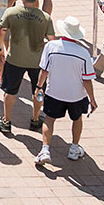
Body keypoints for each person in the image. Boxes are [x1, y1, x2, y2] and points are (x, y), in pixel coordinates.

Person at [36, 17, 98, 166]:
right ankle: (74, 148)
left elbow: (44, 71)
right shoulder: (83, 53)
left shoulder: (51, 47)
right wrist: (92, 99)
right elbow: (87, 80)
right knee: (77, 120)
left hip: (54, 92)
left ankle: (45, 150)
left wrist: (39, 87)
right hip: (76, 95)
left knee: (49, 119)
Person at [0, 0, 55, 135]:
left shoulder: (11, 12)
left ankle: (7, 121)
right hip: (37, 61)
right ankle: (35, 119)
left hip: (15, 58)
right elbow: (52, 40)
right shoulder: (45, 18)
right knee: (39, 90)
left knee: (10, 91)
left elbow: (0, 33)